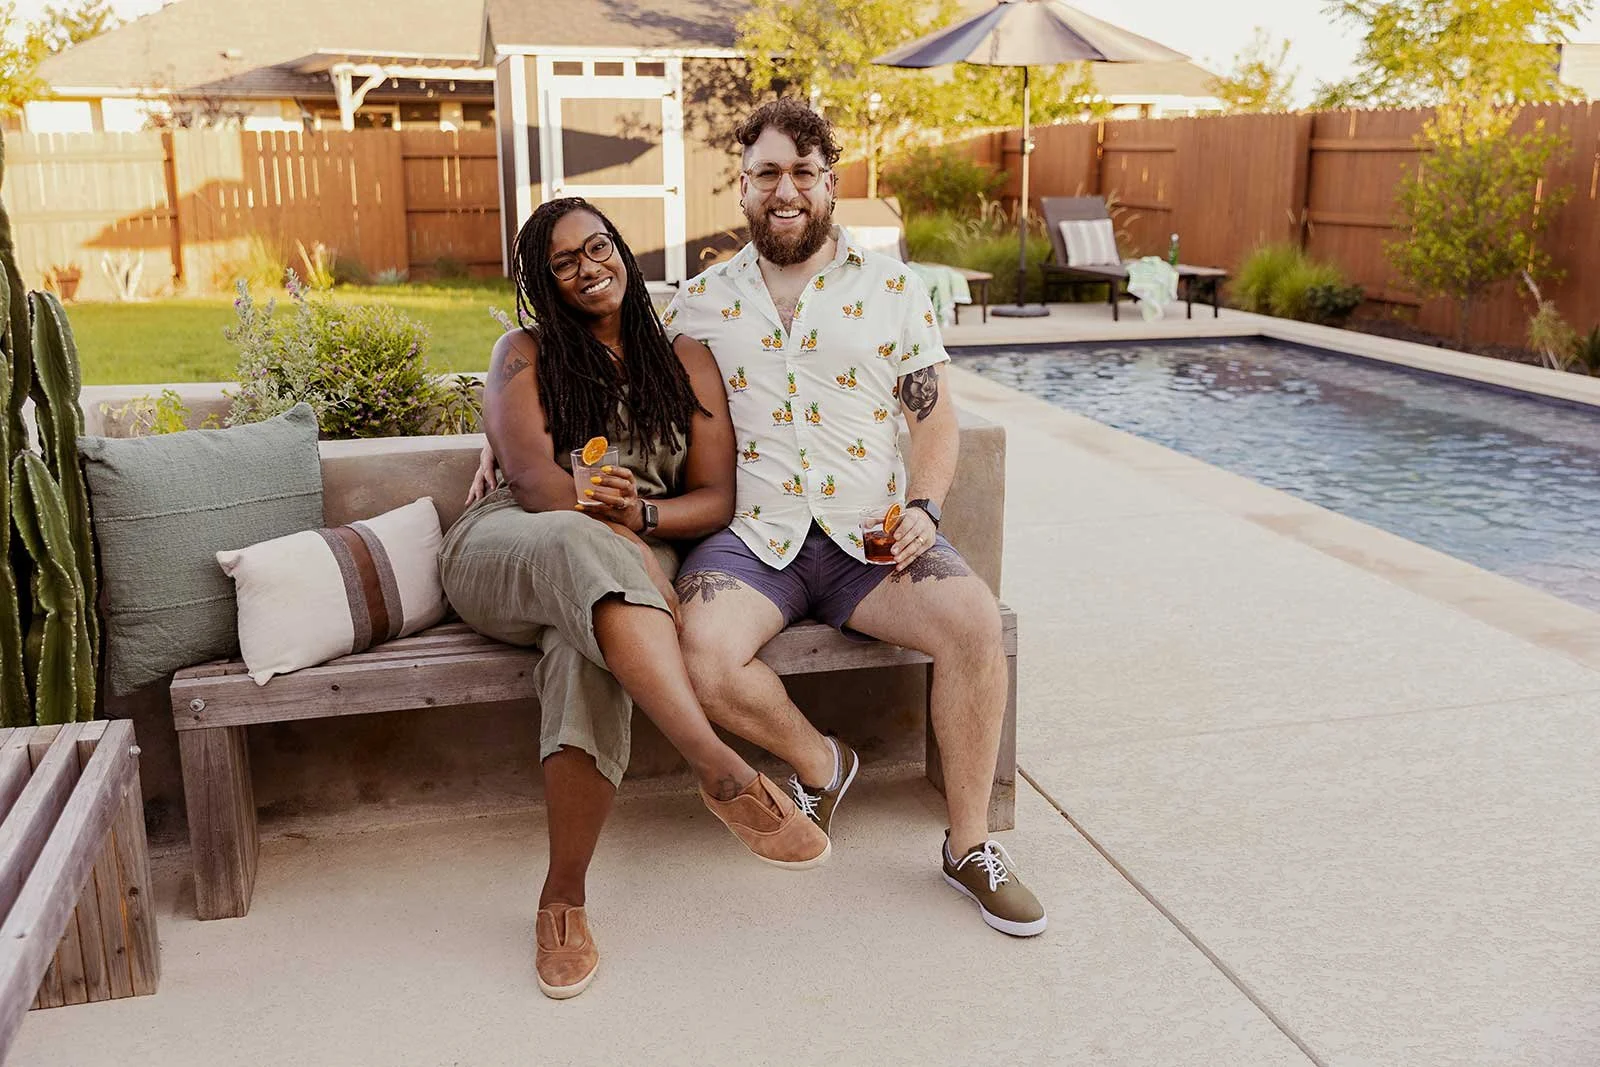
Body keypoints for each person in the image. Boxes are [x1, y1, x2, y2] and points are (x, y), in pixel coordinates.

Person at [663, 99, 1046, 937]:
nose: (786, 189)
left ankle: (970, 846)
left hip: (867, 534)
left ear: (831, 184)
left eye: (804, 173)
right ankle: (821, 762)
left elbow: (933, 416)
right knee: (701, 652)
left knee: (976, 620)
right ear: (743, 187)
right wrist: (498, 437)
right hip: (753, 537)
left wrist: (924, 504)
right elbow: (598, 361)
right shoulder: (698, 300)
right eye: (768, 173)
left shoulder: (892, 288)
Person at [442, 197, 829, 1001]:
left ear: (620, 246)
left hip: (622, 577)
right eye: (564, 263)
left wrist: (642, 521)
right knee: (585, 547)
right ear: (544, 285)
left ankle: (562, 902)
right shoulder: (525, 352)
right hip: (513, 546)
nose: (590, 268)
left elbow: (715, 498)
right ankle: (717, 764)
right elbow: (537, 482)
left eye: (598, 247)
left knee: (589, 663)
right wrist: (618, 540)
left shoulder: (683, 359)